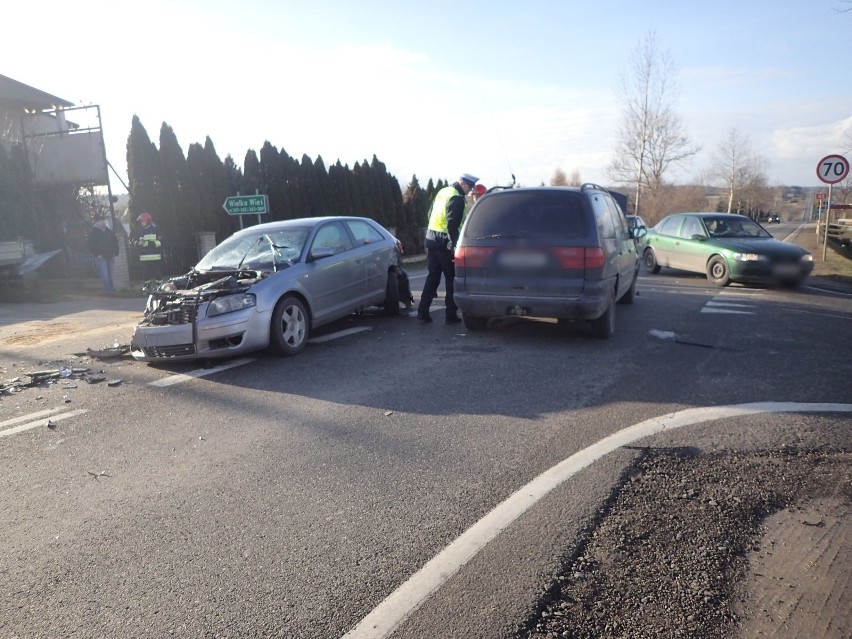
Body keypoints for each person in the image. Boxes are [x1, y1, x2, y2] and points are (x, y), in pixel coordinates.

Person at [417, 173, 478, 323]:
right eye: (470, 187)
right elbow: (453, 225)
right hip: (445, 243)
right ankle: (451, 315)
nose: (470, 190)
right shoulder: (456, 197)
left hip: (431, 239)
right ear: (462, 183)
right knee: (451, 278)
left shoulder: (443, 191)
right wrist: (455, 245)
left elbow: (430, 213)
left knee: (433, 277)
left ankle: (422, 312)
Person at [87, 213, 119, 296]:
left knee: (110, 275)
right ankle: (109, 292)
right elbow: (90, 245)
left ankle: (111, 289)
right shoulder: (93, 232)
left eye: (103, 220)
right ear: (96, 222)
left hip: (110, 256)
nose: (102, 222)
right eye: (100, 221)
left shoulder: (109, 231)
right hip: (101, 257)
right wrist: (97, 254)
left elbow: (115, 241)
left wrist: (116, 251)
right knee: (105, 275)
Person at [133, 212, 163, 282]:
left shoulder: (155, 230)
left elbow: (161, 242)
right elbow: (134, 241)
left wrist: (148, 244)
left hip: (155, 256)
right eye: (141, 221)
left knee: (158, 274)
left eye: (143, 221)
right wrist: (137, 243)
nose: (141, 222)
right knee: (146, 276)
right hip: (144, 258)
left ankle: (160, 288)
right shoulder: (140, 231)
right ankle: (147, 288)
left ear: (147, 221)